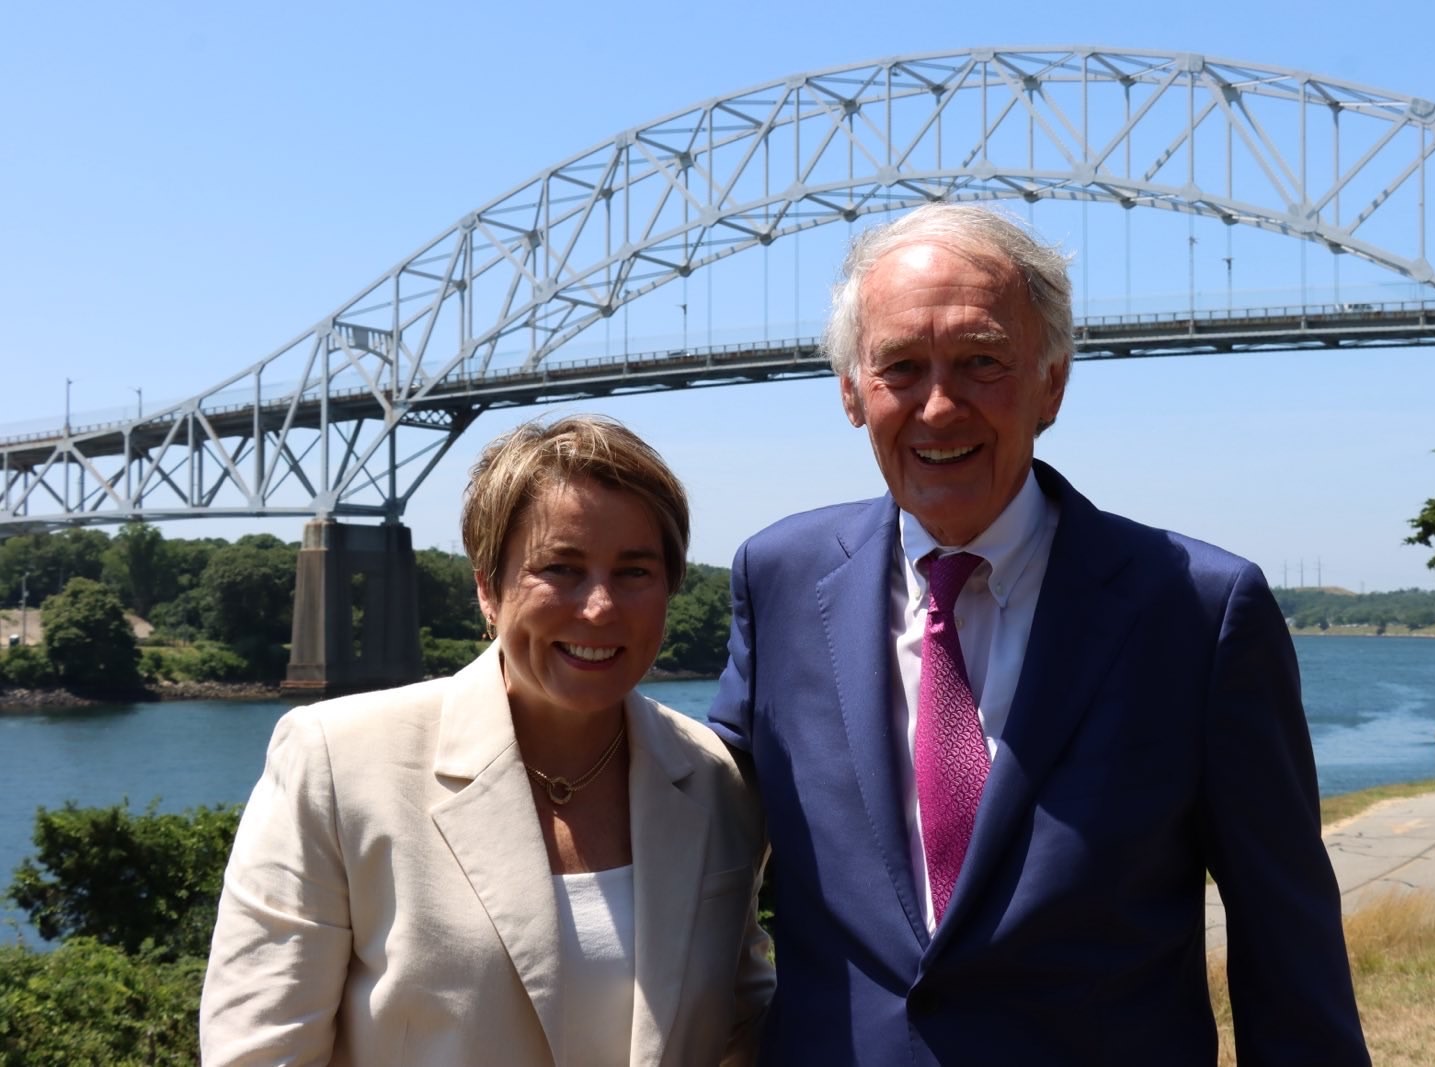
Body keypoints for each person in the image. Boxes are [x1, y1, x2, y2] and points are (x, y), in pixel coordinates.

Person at [708, 204, 1369, 1064]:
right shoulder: (778, 578)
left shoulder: (1198, 612)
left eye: (982, 362)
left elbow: (1290, 952)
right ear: (850, 392)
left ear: (1053, 380)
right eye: (900, 367)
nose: (938, 407)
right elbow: (693, 821)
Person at [201, 415, 773, 1066]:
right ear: (487, 587)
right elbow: (259, 1052)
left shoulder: (717, 780)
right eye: (561, 567)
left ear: (671, 586)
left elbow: (742, 1030)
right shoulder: (337, 762)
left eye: (635, 571)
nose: (599, 607)